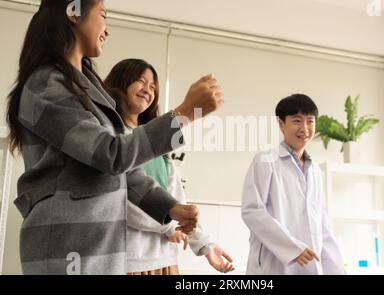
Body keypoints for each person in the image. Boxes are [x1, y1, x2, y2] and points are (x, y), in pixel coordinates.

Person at [6, 0, 223, 275]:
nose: (107, 29)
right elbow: (111, 154)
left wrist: (170, 208)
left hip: (98, 248)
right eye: (103, 15)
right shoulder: (47, 83)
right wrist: (183, 114)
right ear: (73, 13)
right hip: (68, 246)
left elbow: (123, 173)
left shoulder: (87, 90)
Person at [104, 58, 234, 275]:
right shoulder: (112, 138)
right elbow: (123, 200)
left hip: (165, 259)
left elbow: (177, 201)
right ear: (121, 82)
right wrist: (170, 225)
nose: (148, 89)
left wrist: (206, 246)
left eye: (153, 86)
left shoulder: (158, 144)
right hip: (130, 261)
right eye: (141, 81)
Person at [241, 94, 345, 275]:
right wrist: (292, 247)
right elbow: (252, 211)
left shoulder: (316, 172)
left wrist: (336, 268)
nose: (304, 128)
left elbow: (322, 225)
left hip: (309, 267)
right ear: (281, 124)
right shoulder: (265, 161)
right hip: (273, 265)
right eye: (297, 121)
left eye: (310, 121)